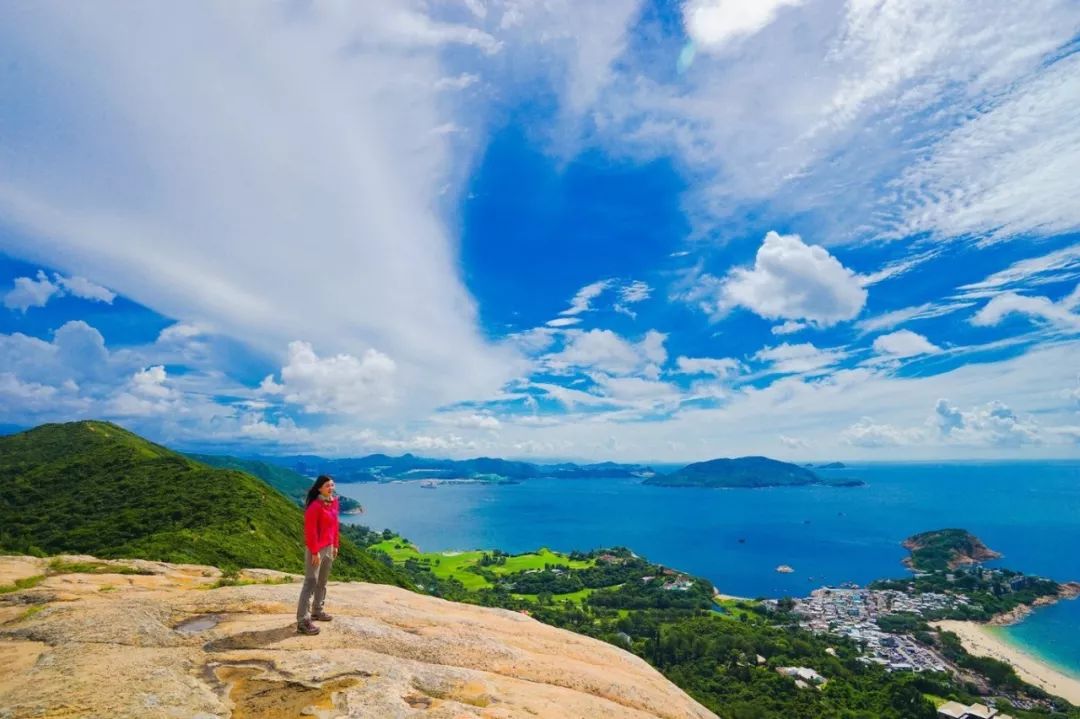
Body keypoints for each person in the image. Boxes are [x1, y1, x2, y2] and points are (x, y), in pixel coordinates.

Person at [296, 474, 340, 635]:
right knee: (310, 582)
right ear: (319, 488)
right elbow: (310, 531)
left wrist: (335, 545)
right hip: (316, 549)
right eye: (328, 485)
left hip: (329, 547)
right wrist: (315, 552)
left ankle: (317, 610)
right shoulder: (315, 506)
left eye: (332, 485)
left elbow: (335, 525)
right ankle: (303, 620)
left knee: (323, 581)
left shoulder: (333, 503)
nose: (331, 488)